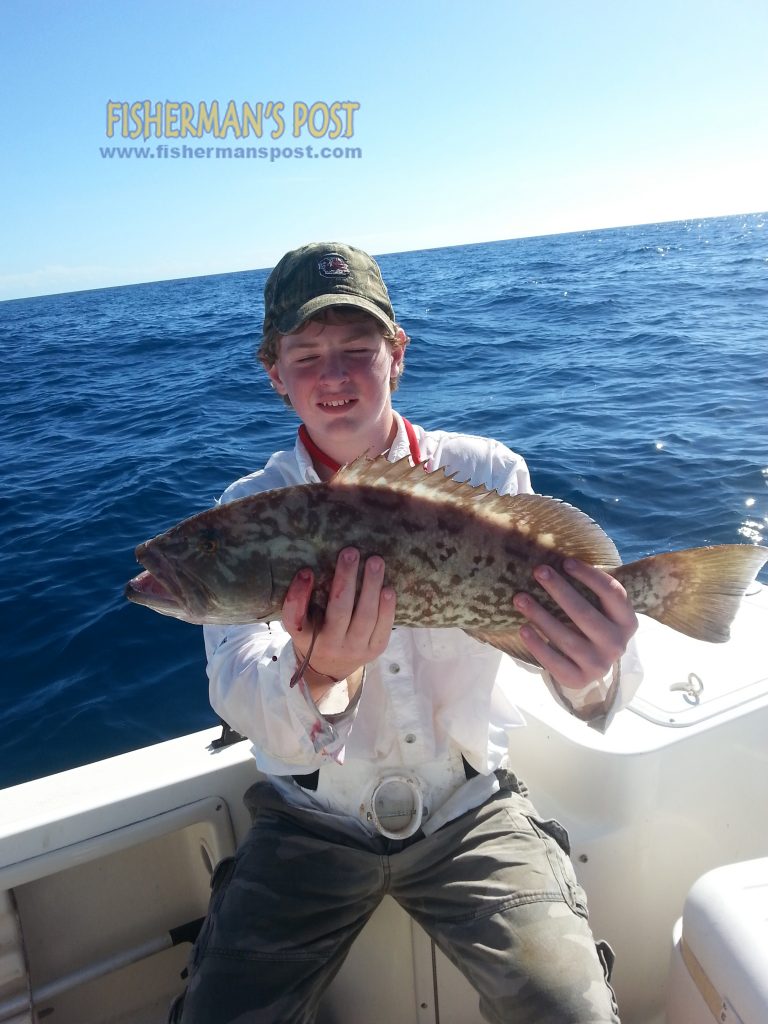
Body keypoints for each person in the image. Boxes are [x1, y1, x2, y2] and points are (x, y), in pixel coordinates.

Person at [173, 242, 642, 1024]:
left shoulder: (490, 475)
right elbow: (238, 688)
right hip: (309, 818)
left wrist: (591, 673)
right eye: (307, 354)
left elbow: (582, 675)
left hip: (470, 809)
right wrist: (318, 675)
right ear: (273, 371)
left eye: (359, 350)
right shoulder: (248, 513)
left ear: (398, 356)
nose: (334, 376)